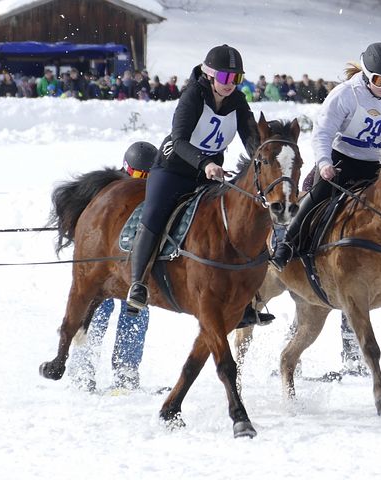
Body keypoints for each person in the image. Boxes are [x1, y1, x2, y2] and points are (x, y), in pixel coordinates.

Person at [125, 44, 259, 312]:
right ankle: (138, 283)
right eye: (225, 78)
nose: (231, 84)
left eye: (237, 78)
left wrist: (265, 161)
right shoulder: (192, 96)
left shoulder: (239, 103)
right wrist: (206, 163)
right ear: (210, 76)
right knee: (153, 215)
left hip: (210, 173)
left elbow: (252, 140)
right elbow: (179, 140)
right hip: (173, 169)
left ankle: (240, 297)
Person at [270, 42, 381, 270]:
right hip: (341, 160)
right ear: (367, 76)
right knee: (318, 196)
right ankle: (287, 244)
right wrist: (325, 163)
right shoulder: (345, 94)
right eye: (380, 80)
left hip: (379, 165)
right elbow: (322, 133)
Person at [70, 141, 157, 391]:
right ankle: (82, 370)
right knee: (96, 312)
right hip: (102, 267)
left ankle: (126, 371)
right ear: (127, 169)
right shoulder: (109, 187)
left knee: (136, 313)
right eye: (138, 174)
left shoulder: (154, 190)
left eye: (148, 175)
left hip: (133, 267)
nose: (142, 179)